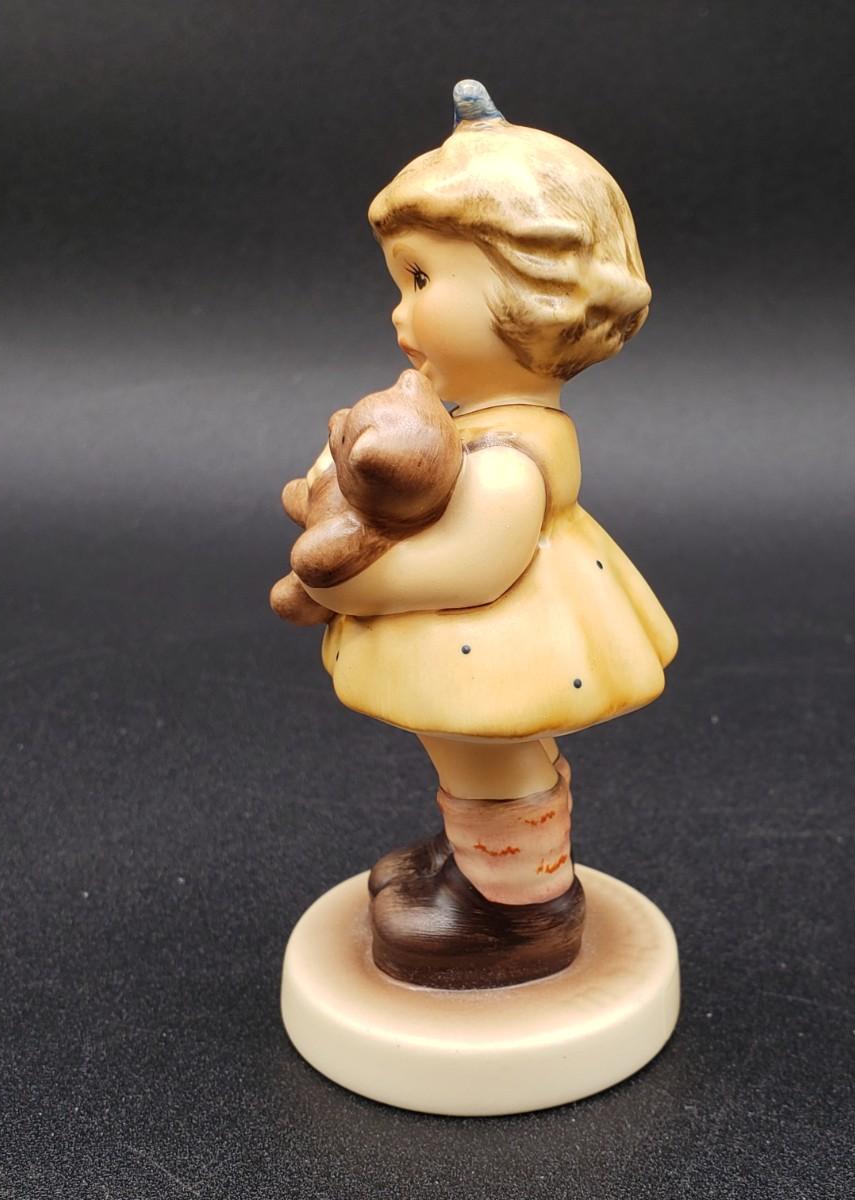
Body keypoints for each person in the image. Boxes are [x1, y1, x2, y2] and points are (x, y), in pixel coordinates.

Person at [293, 80, 677, 989]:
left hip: (498, 638)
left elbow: (478, 563)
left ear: (534, 294)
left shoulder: (512, 457)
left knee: (489, 752)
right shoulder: (466, 422)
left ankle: (521, 909)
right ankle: (480, 862)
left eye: (422, 281)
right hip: (470, 646)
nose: (399, 312)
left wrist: (350, 583)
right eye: (399, 282)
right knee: (472, 754)